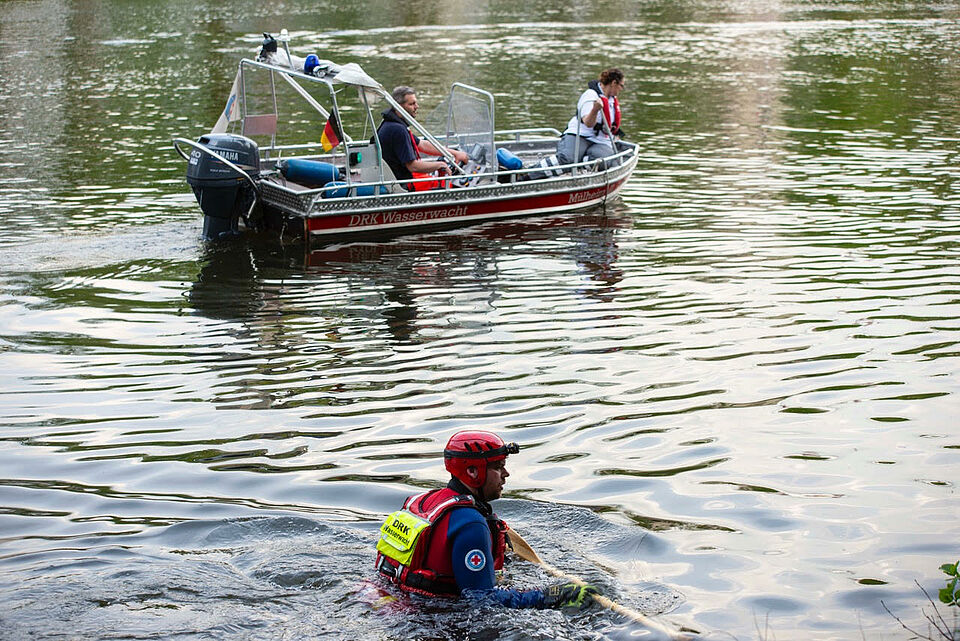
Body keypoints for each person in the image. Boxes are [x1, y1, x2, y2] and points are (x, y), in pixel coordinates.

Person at [375, 430, 598, 609]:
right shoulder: (471, 524)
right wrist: (551, 596)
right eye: (498, 467)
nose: (506, 474)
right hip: (427, 618)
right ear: (473, 471)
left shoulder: (424, 500)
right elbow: (481, 600)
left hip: (383, 598)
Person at [376, 86, 469, 191]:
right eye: (411, 104)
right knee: (446, 185)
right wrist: (440, 165)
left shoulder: (392, 124)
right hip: (401, 184)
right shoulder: (398, 130)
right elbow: (413, 166)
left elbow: (422, 144)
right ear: (398, 107)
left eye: (415, 103)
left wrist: (454, 153)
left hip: (397, 176)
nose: (417, 106)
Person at [557, 68, 626, 167]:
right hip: (580, 135)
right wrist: (595, 109)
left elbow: (611, 125)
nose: (621, 89)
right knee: (567, 159)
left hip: (600, 141)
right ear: (614, 83)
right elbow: (588, 123)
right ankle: (530, 175)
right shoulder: (590, 95)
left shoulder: (612, 100)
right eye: (621, 86)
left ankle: (582, 163)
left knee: (605, 162)